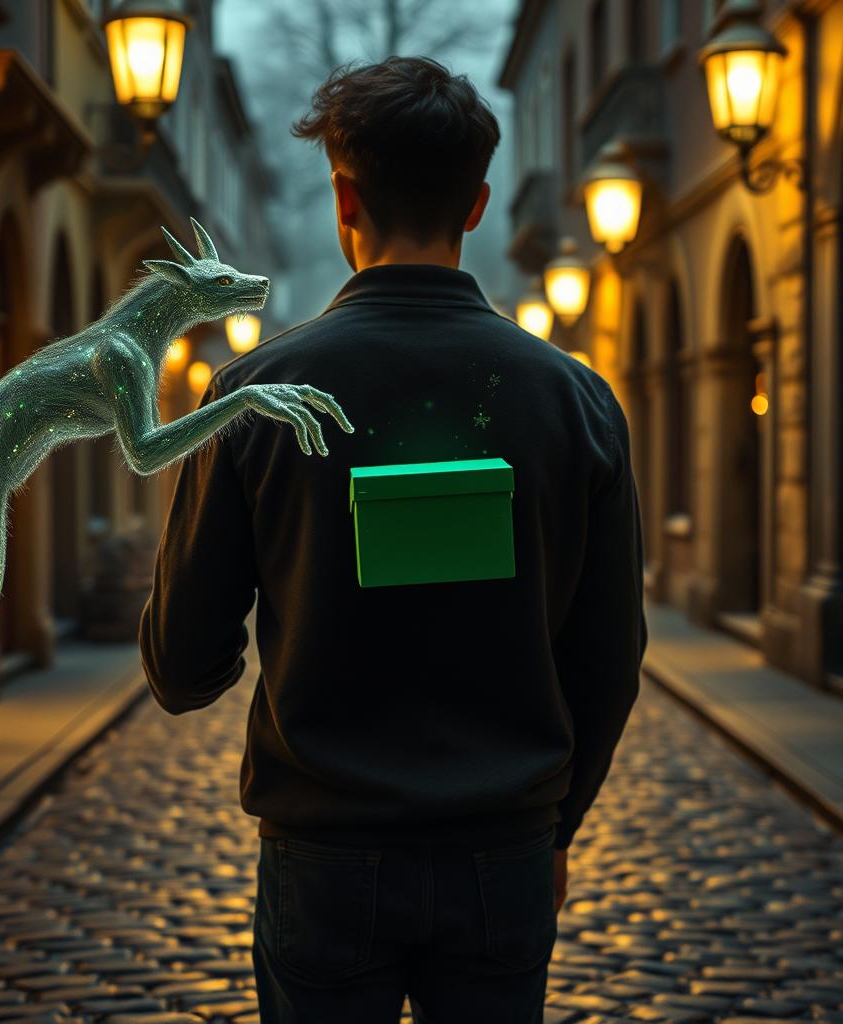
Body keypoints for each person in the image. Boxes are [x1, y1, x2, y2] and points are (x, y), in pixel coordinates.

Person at [139, 55, 648, 1024]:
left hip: (325, 853)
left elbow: (181, 668)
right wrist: (555, 827)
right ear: (477, 204)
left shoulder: (254, 396)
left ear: (345, 197)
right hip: (502, 847)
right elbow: (611, 656)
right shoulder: (574, 399)